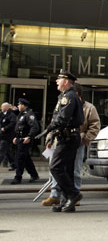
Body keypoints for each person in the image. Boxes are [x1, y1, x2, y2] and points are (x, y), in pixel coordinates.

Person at [41, 83, 100, 207]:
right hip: (60, 140)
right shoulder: (64, 104)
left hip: (77, 142)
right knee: (56, 169)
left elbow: (95, 126)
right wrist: (49, 139)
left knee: (74, 170)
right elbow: (55, 122)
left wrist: (84, 139)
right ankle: (56, 195)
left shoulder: (88, 107)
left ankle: (73, 194)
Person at [44, 70, 84, 212]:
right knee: (66, 170)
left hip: (69, 138)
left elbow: (62, 118)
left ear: (66, 81)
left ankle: (73, 194)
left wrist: (49, 128)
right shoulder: (64, 96)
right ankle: (67, 201)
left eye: (59, 79)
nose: (56, 81)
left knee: (55, 167)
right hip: (65, 137)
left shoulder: (70, 97)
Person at [10, 98, 40, 184]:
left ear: (23, 105)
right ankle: (34, 175)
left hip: (25, 140)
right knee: (26, 159)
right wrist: (16, 137)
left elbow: (35, 127)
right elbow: (19, 128)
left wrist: (29, 137)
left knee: (20, 158)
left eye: (19, 104)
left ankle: (18, 177)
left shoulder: (29, 114)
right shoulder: (21, 114)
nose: (18, 106)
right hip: (20, 139)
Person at [0, 103, 17, 170]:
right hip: (2, 135)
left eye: (2, 107)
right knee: (7, 151)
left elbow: (13, 123)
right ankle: (14, 164)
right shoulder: (2, 115)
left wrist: (5, 128)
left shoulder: (11, 115)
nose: (1, 108)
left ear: (6, 107)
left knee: (1, 150)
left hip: (7, 136)